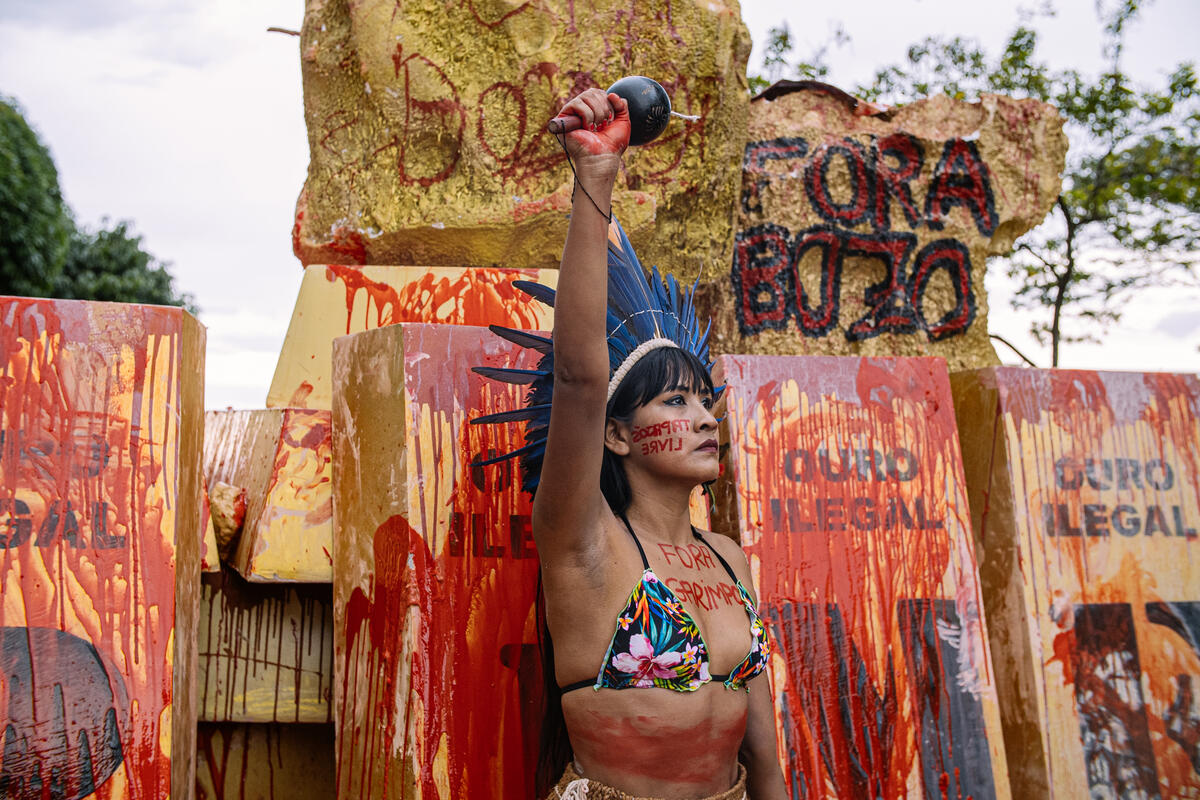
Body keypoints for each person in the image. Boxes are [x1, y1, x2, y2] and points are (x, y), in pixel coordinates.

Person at [476, 87, 788, 800]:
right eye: (675, 400)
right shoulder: (582, 541)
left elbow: (764, 756)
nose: (706, 418)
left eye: (705, 401)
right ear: (616, 433)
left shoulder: (728, 557)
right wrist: (596, 176)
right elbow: (583, 377)